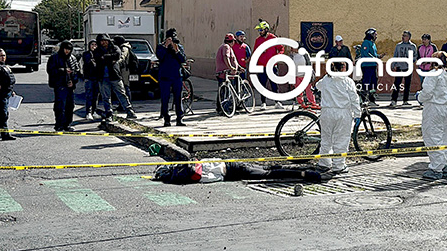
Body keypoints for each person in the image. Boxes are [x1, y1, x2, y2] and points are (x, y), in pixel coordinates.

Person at [314, 61, 361, 174]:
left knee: (326, 139)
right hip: (343, 113)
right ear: (343, 68)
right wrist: (357, 114)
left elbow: (317, 86)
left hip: (326, 112)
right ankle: (338, 166)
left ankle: (324, 163)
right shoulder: (347, 81)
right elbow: (354, 99)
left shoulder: (326, 79)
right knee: (341, 140)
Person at [417, 51, 447, 180]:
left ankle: (436, 168)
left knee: (432, 137)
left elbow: (427, 91)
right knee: (446, 137)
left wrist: (420, 97)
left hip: (434, 107)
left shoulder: (433, 74)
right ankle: (446, 165)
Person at [93, 33, 137, 122]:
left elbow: (117, 55)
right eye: (101, 41)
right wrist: (109, 58)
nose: (103, 43)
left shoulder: (115, 48)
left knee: (121, 93)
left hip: (115, 75)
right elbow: (98, 58)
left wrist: (105, 57)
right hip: (102, 76)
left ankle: (129, 111)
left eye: (105, 41)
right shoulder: (97, 50)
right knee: (106, 97)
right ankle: (109, 113)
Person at [153, 161, 323, 184]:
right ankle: (302, 171)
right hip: (231, 166)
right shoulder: (186, 165)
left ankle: (304, 174)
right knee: (268, 170)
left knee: (267, 174)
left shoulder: (187, 174)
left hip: (232, 172)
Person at [46, 40, 80, 131]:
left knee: (70, 105)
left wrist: (73, 81)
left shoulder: (72, 58)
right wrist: (63, 70)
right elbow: (50, 70)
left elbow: (77, 71)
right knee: (60, 106)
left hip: (70, 85)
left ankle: (67, 124)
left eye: (69, 49)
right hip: (59, 84)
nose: (67, 51)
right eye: (65, 49)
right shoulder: (54, 58)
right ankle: (59, 124)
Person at [157, 28, 187, 126]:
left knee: (178, 98)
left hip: (176, 76)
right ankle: (166, 118)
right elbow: (160, 57)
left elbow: (183, 59)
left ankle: (179, 118)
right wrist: (166, 46)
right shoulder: (161, 47)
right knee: (165, 98)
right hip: (164, 77)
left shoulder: (178, 47)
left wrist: (177, 50)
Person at [254, 20, 285, 110]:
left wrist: (278, 57)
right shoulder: (258, 40)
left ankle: (277, 102)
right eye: (259, 30)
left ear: (266, 29)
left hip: (272, 66)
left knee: (274, 85)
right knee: (262, 85)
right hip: (261, 66)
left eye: (261, 30)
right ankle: (263, 103)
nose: (260, 32)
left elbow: (281, 48)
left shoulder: (273, 38)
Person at [390, 30, 417, 107]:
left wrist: (411, 61)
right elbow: (395, 55)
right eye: (403, 35)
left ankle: (405, 100)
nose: (403, 37)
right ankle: (393, 100)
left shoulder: (412, 46)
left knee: (407, 84)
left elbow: (415, 56)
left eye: (405, 36)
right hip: (399, 66)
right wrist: (393, 64)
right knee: (397, 84)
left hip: (408, 67)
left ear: (409, 37)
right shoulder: (398, 46)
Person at [215, 33, 239, 114]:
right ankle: (224, 108)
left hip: (223, 72)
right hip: (225, 73)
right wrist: (230, 67)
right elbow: (226, 57)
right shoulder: (226, 47)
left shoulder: (223, 46)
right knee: (225, 91)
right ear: (232, 41)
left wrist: (238, 67)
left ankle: (220, 108)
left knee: (222, 91)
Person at [359, 28, 382, 106]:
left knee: (373, 83)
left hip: (373, 65)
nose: (376, 36)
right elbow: (366, 53)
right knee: (366, 83)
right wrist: (374, 58)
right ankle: (364, 100)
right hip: (367, 65)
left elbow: (373, 54)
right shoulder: (366, 43)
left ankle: (372, 100)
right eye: (375, 34)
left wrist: (378, 56)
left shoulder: (373, 43)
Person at [291, 44, 319, 109]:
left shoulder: (304, 53)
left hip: (305, 75)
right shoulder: (292, 55)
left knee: (308, 90)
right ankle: (301, 103)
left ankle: (312, 102)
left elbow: (309, 63)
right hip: (297, 75)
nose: (292, 49)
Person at [113, 36, 139, 106]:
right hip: (122, 69)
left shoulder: (124, 48)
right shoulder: (122, 47)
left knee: (125, 87)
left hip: (124, 69)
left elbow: (123, 57)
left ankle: (127, 104)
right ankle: (122, 104)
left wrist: (116, 63)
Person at [82, 40, 99, 120]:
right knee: (89, 95)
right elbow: (88, 63)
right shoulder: (86, 54)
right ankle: (88, 112)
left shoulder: (99, 53)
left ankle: (94, 111)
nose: (94, 46)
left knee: (96, 95)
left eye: (95, 44)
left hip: (97, 77)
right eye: (92, 44)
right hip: (89, 77)